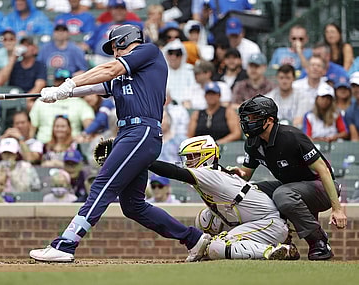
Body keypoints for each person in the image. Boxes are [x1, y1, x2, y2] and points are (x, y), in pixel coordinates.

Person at [30, 24, 210, 263]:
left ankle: (66, 243)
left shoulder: (149, 52)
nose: (114, 52)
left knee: (102, 184)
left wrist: (70, 84)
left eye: (115, 46)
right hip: (128, 133)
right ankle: (193, 239)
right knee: (133, 206)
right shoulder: (122, 76)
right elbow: (96, 86)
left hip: (142, 130)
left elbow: (109, 69)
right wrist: (58, 92)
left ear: (126, 41)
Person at [230, 95, 347, 260]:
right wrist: (235, 174)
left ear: (269, 120)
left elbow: (324, 171)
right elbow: (246, 175)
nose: (248, 121)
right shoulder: (252, 142)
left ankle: (319, 241)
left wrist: (337, 209)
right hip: (291, 186)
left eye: (254, 117)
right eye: (247, 117)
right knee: (251, 191)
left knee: (282, 194)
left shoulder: (291, 136)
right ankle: (283, 242)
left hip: (322, 187)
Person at [148, 135, 299, 260]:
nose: (188, 161)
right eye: (187, 157)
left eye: (192, 156)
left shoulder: (208, 172)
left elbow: (174, 172)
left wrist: (143, 161)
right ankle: (208, 252)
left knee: (216, 246)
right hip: (252, 219)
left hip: (269, 224)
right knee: (204, 219)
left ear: (206, 156)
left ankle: (275, 251)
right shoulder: (213, 172)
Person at [0, 36, 47, 111]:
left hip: (29, 100)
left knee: (33, 106)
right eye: (23, 45)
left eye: (28, 45)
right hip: (13, 98)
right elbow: (0, 81)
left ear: (34, 49)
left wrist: (24, 100)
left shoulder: (39, 66)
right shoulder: (14, 65)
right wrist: (13, 58)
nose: (24, 48)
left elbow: (39, 86)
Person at [265, 64, 308, 128]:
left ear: (293, 79)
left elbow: (300, 120)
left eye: (288, 78)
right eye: (281, 78)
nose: (284, 81)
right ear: (277, 78)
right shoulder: (269, 98)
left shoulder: (302, 97)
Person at [345, 72, 359, 141]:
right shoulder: (350, 111)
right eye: (354, 86)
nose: (356, 89)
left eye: (358, 86)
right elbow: (355, 138)